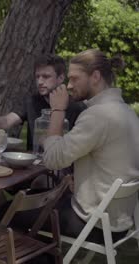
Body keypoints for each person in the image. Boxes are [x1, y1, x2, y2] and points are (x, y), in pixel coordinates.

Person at [42, 49, 139, 243]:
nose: (69, 86)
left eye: (74, 79)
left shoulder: (98, 115)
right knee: (41, 197)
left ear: (95, 76)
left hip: (93, 223)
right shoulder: (126, 112)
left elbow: (52, 160)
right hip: (119, 221)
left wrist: (58, 109)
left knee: (8, 212)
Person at [0, 54, 86, 151]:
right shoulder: (32, 101)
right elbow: (7, 121)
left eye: (46, 76)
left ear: (61, 78)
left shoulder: (77, 107)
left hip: (62, 167)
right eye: (37, 76)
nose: (40, 82)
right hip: (33, 165)